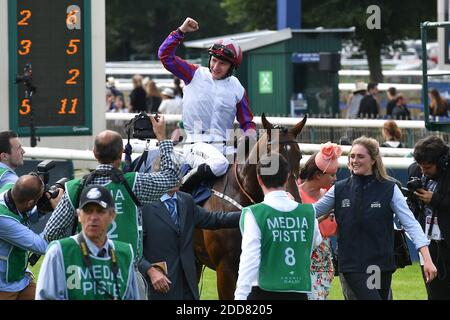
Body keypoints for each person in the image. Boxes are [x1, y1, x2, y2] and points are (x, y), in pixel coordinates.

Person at [43, 116, 179, 299]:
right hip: (127, 270)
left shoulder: (74, 188)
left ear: (94, 153)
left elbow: (51, 234)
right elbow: (172, 177)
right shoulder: (135, 183)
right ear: (122, 153)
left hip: (81, 272)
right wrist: (162, 138)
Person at [314, 136, 437, 300]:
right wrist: (286, 206)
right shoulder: (339, 189)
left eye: (360, 156)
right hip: (352, 265)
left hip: (380, 266)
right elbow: (311, 212)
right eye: (352, 156)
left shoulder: (389, 188)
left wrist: (427, 259)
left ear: (373, 160)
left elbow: (411, 224)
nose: (355, 160)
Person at [159, 17, 256, 192]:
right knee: (219, 164)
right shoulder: (193, 74)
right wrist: (181, 31)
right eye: (214, 60)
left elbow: (247, 122)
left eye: (223, 63)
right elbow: (165, 56)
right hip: (195, 145)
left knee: (260, 165)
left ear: (232, 67)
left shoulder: (237, 88)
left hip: (223, 146)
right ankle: (181, 187)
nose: (216, 66)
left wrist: (249, 135)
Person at [139, 158, 240, 300]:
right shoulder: (143, 206)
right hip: (157, 288)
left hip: (188, 289)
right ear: (157, 176)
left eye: (178, 173)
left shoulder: (186, 200)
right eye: (170, 173)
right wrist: (150, 271)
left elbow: (215, 219)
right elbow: (134, 249)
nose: (176, 178)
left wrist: (251, 214)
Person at [234, 153, 323, 300]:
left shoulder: (254, 213)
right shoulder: (308, 212)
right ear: (287, 177)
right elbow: (313, 242)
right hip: (298, 292)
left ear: (259, 179)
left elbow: (250, 259)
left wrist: (240, 297)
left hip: (263, 292)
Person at [36, 185, 139, 300]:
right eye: (88, 211)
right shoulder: (59, 251)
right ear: (79, 215)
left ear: (112, 216)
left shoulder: (124, 254)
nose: (93, 217)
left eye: (100, 211)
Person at [408, 136, 450, 299]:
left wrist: (435, 199)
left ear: (440, 162)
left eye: (428, 167)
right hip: (429, 245)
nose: (423, 171)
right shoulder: (415, 171)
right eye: (420, 166)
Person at [298, 143, 341, 300]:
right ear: (317, 175)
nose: (335, 179)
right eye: (331, 175)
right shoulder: (295, 195)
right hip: (302, 262)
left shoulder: (329, 195)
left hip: (324, 263)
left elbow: (335, 230)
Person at [0, 175, 51, 299]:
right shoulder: (3, 219)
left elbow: (27, 216)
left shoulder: (12, 191)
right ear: (30, 202)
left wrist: (44, 208)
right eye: (37, 201)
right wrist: (58, 211)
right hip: (3, 286)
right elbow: (41, 246)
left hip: (20, 278)